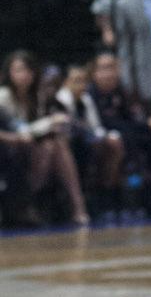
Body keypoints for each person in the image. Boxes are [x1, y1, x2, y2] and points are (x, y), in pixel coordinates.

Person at [0, 51, 89, 227]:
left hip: (30, 144)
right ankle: (28, 202)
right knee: (50, 147)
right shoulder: (3, 96)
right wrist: (47, 123)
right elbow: (15, 131)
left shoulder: (38, 95)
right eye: (18, 70)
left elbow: (20, 127)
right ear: (9, 73)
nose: (23, 75)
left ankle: (76, 204)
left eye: (27, 70)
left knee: (55, 145)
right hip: (10, 148)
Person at [89, 51, 151, 217]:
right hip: (103, 139)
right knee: (127, 141)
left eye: (112, 68)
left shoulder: (122, 92)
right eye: (103, 68)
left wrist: (150, 124)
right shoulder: (90, 95)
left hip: (128, 135)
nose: (108, 73)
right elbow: (102, 123)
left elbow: (132, 118)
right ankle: (117, 199)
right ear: (94, 73)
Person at [55, 64, 125, 219]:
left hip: (88, 141)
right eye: (76, 80)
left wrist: (107, 136)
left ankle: (107, 193)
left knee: (114, 145)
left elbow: (96, 127)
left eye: (83, 81)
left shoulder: (86, 99)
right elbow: (67, 129)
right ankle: (83, 202)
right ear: (66, 82)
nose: (80, 85)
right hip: (71, 144)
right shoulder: (61, 99)